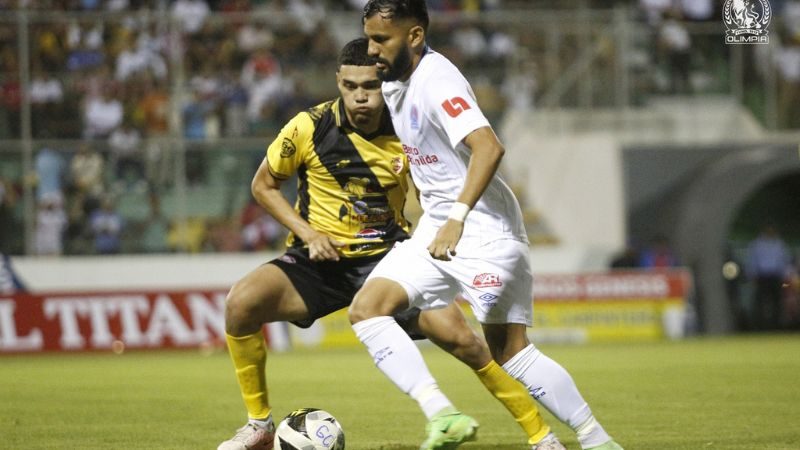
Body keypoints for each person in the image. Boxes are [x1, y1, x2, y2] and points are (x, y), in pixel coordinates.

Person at [218, 38, 556, 450]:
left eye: (370, 86)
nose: (360, 96)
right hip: (319, 261)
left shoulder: (409, 127)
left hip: (388, 259)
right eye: (350, 86)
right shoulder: (309, 126)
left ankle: (542, 436)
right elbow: (264, 185)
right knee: (240, 304)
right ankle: (259, 425)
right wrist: (308, 234)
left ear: (386, 81)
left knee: (464, 340)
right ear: (338, 82)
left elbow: (440, 186)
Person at [349, 2, 624, 450]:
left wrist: (456, 219)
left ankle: (595, 439)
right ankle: (442, 414)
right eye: (369, 39)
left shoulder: (438, 81)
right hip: (437, 230)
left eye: (383, 40)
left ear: (415, 36)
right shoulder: (397, 84)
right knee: (367, 308)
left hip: (482, 231)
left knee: (511, 353)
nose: (372, 49)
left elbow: (489, 148)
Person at [746, 222, 792, 330]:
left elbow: (784, 261)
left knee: (777, 302)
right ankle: (760, 325)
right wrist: (752, 275)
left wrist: (785, 276)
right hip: (762, 277)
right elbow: (752, 261)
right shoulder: (757, 244)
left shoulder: (779, 244)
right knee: (760, 302)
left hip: (776, 276)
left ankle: (777, 326)